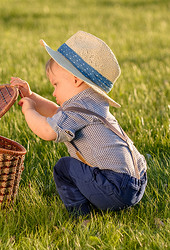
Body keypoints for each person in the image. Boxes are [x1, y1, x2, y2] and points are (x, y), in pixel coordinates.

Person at [10, 31, 147, 217]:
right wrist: (31, 95)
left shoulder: (78, 110)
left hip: (115, 188)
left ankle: (81, 216)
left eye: (56, 84)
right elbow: (56, 111)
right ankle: (102, 198)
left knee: (64, 168)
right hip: (137, 182)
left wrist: (29, 110)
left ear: (76, 80)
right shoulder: (91, 105)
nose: (53, 92)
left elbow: (48, 131)